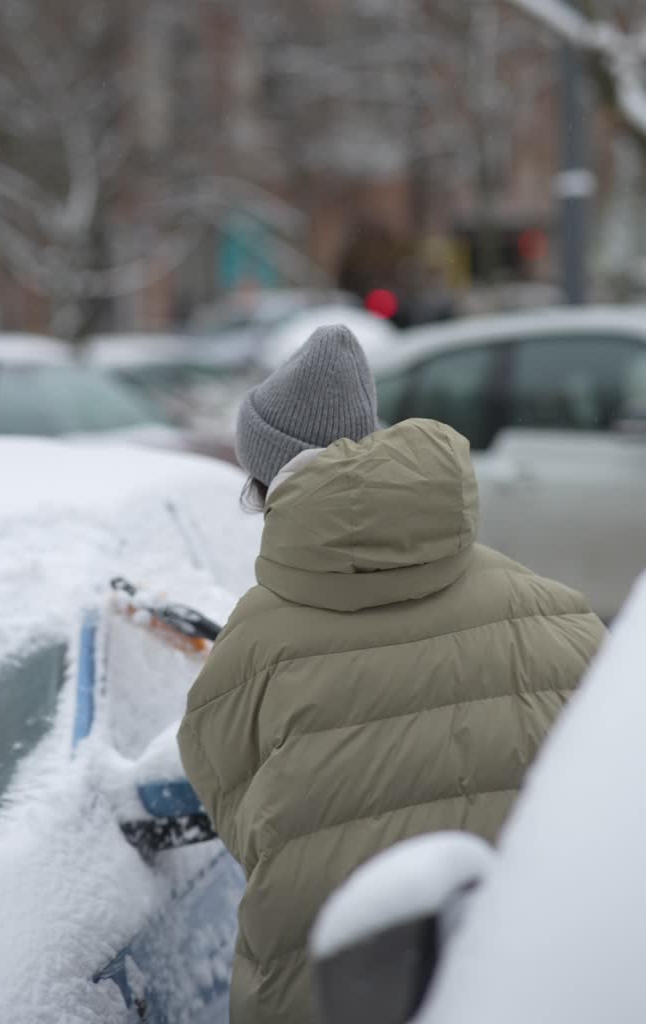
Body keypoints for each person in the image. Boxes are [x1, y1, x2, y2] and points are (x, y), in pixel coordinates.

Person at [177, 325, 605, 1024]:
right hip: (534, 991)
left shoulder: (249, 651)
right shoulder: (554, 609)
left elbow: (237, 815)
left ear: (272, 486)